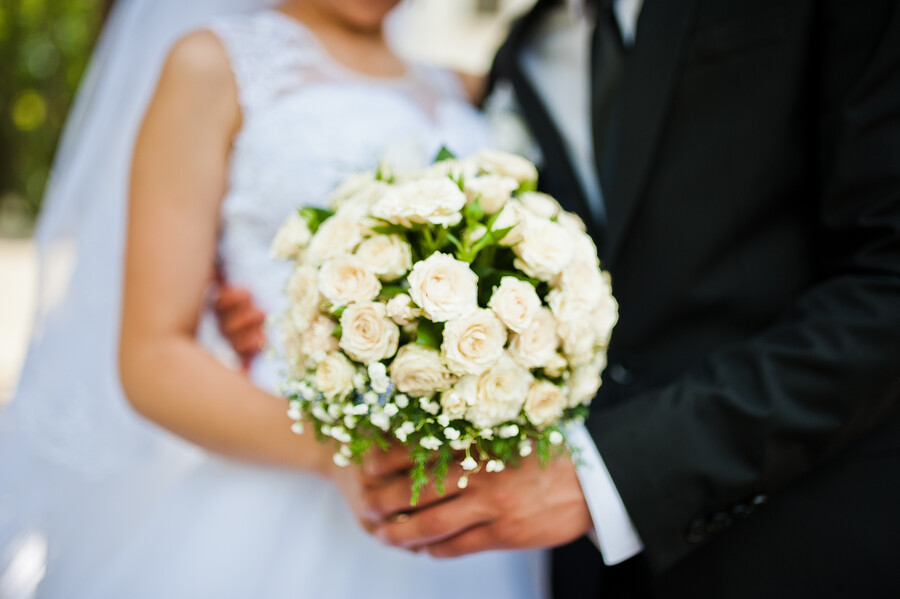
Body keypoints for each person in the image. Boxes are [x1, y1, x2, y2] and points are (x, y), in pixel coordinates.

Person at [1, 1, 548, 597]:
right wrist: (335, 454)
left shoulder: (458, 84)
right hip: (272, 494)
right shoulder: (214, 64)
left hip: (461, 509)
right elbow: (151, 356)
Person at [359, 0, 900, 598]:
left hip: (809, 535)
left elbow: (885, 285)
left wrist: (611, 477)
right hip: (575, 564)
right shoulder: (524, 53)